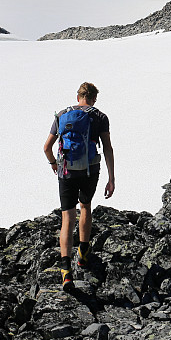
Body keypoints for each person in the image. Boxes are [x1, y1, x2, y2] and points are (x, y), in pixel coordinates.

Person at [43, 82, 115, 290]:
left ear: (78, 97)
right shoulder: (100, 117)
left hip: (66, 170)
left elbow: (47, 147)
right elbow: (108, 148)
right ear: (94, 99)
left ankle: (66, 271)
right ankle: (83, 253)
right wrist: (111, 178)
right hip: (89, 169)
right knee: (85, 205)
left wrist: (54, 163)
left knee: (67, 217)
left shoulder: (62, 115)